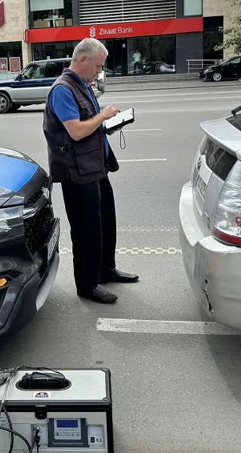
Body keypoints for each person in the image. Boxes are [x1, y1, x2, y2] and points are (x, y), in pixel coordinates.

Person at [43, 38, 139, 304]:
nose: (99, 72)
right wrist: (103, 115)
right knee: (86, 232)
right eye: (97, 66)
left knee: (106, 223)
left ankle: (105, 270)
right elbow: (75, 131)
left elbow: (91, 127)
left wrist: (110, 123)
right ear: (82, 59)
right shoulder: (62, 90)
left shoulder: (83, 85)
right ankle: (87, 285)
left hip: (96, 167)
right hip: (77, 173)